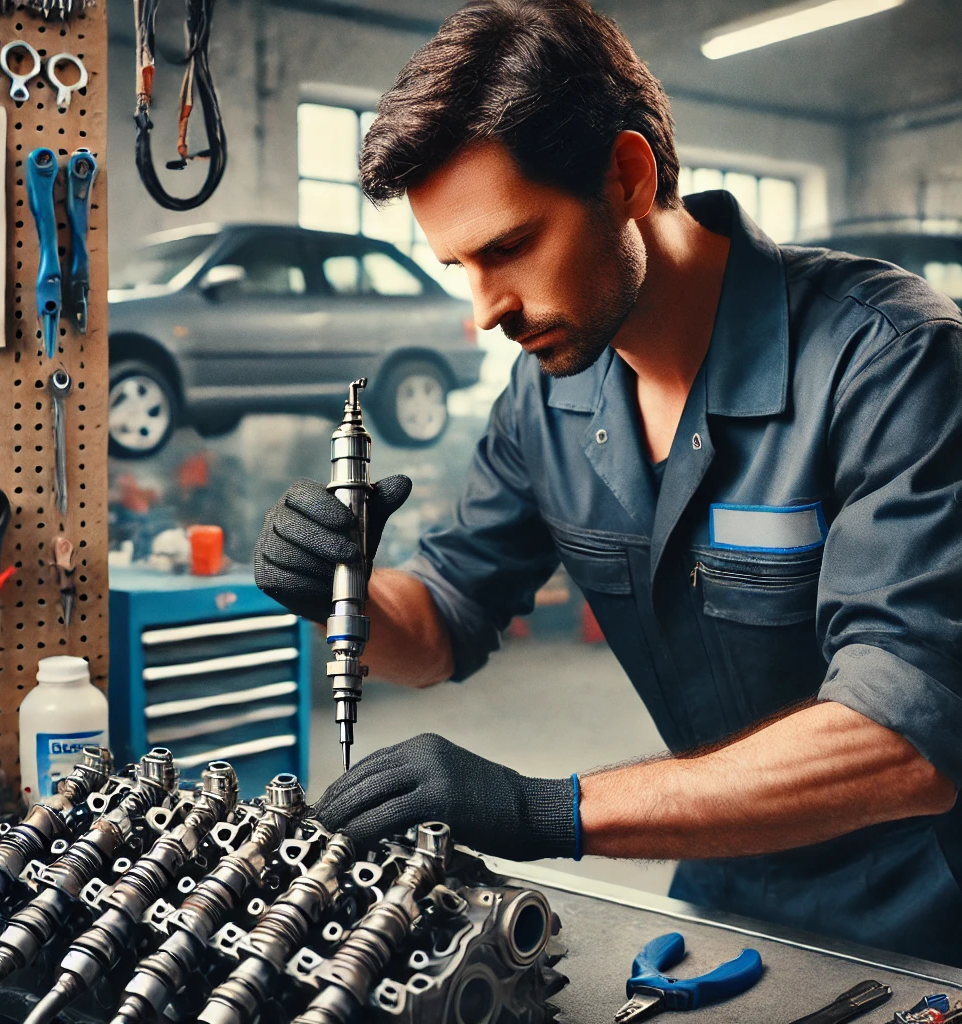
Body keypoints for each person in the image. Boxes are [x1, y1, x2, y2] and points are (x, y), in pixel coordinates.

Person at [254, 0, 962, 965]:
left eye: (508, 248)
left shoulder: (891, 361)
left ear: (627, 176)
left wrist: (547, 811)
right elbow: (443, 624)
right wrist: (339, 591)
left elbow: (906, 737)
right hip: (721, 877)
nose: (484, 310)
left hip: (926, 909)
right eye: (460, 265)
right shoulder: (545, 398)